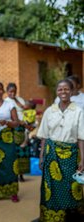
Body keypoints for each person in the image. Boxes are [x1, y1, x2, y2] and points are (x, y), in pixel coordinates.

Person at [37, 79, 84, 221]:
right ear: (56, 92)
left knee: (71, 188)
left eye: (66, 89)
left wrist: (83, 158)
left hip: (71, 155)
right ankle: (52, 216)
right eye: (60, 89)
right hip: (51, 155)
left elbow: (81, 137)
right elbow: (44, 136)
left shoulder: (78, 111)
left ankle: (71, 217)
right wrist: (41, 156)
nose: (63, 92)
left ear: (71, 92)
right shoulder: (50, 111)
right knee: (51, 188)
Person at [5, 83, 30, 182]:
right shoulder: (6, 102)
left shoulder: (20, 99)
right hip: (13, 128)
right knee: (14, 152)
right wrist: (20, 122)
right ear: (7, 92)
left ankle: (21, 174)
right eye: (10, 91)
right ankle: (14, 174)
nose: (12, 93)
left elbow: (25, 109)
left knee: (22, 152)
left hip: (22, 129)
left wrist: (15, 99)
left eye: (14, 91)